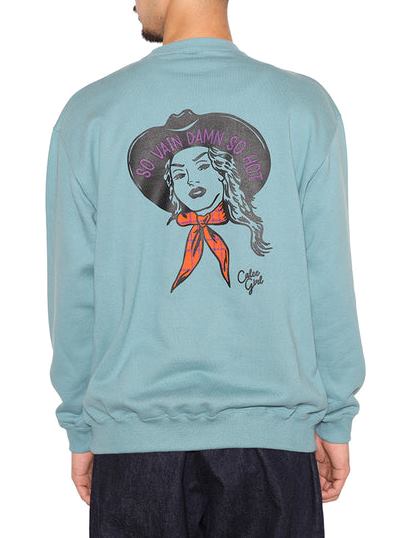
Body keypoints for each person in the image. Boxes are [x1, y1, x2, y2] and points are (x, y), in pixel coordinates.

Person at [45, 0, 366, 536]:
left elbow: (73, 293)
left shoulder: (89, 114)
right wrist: (335, 416)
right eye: (177, 174)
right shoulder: (304, 107)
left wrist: (83, 425)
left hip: (134, 446)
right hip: (272, 445)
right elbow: (328, 278)